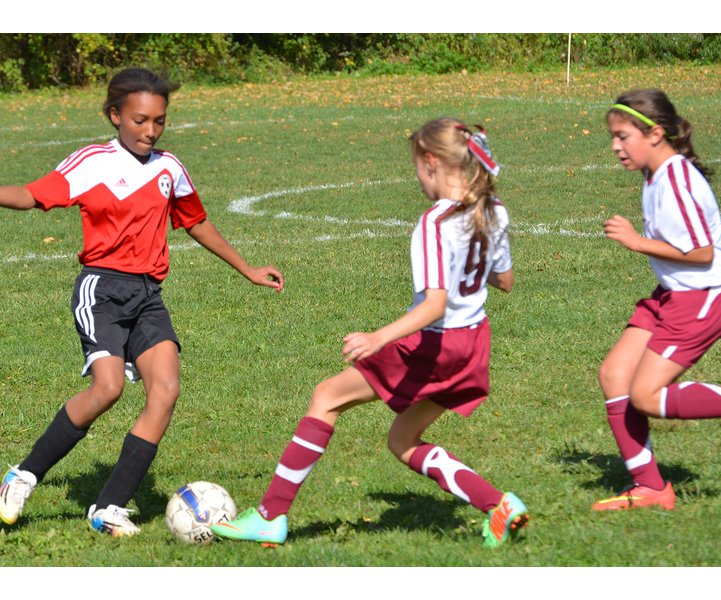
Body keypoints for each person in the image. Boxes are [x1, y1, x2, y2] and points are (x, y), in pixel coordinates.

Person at [0, 67, 284, 536]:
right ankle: (21, 477)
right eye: (140, 120)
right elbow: (30, 196)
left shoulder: (170, 169)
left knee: (165, 391)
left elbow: (196, 222)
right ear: (115, 116)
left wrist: (246, 268)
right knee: (108, 389)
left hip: (147, 295)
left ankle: (107, 508)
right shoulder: (91, 162)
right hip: (101, 290)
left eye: (159, 121)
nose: (150, 131)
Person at [211, 117, 528, 548]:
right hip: (472, 343)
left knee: (326, 397)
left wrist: (378, 337)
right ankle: (498, 504)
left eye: (417, 166)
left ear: (432, 162)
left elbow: (434, 304)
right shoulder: (493, 209)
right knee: (402, 439)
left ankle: (270, 515)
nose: (416, 176)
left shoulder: (434, 223)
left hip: (434, 343)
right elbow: (505, 280)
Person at [594, 89, 721, 511]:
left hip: (703, 298)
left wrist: (637, 242)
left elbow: (703, 254)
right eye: (613, 137)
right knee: (614, 375)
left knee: (645, 396)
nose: (615, 146)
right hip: (672, 295)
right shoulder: (654, 174)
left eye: (623, 136)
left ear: (656, 133)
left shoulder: (677, 181)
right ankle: (651, 488)